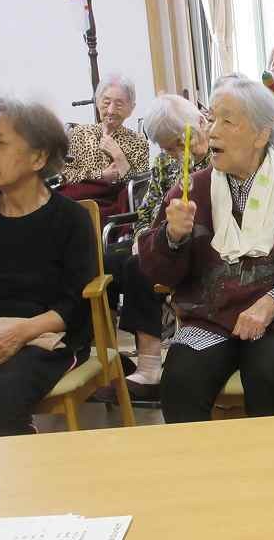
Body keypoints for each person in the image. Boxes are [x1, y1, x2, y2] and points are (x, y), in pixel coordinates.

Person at [138, 74, 274, 420]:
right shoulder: (190, 191)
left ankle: (272, 458)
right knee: (179, 380)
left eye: (227, 122)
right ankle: (204, 460)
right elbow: (157, 273)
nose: (212, 131)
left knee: (266, 375)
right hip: (209, 320)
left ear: (261, 135)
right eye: (211, 120)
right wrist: (171, 237)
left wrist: (273, 302)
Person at [0, 98, 96, 437]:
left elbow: (75, 304)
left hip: (47, 339)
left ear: (38, 158)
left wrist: (19, 332)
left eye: (0, 143)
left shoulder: (70, 219)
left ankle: (21, 459)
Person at [99, 94, 212, 402]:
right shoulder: (164, 161)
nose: (173, 153)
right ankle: (108, 359)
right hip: (160, 236)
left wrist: (200, 156)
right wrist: (141, 238)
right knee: (100, 263)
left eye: (176, 145)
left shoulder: (216, 153)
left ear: (197, 125)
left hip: (198, 242)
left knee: (139, 266)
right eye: (166, 147)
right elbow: (148, 210)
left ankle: (149, 369)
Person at [62, 73, 149, 184]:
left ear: (131, 108)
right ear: (97, 102)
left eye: (119, 105)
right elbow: (64, 177)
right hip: (82, 196)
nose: (111, 111)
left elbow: (140, 187)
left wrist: (119, 156)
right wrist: (101, 175)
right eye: (106, 103)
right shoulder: (79, 134)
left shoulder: (138, 142)